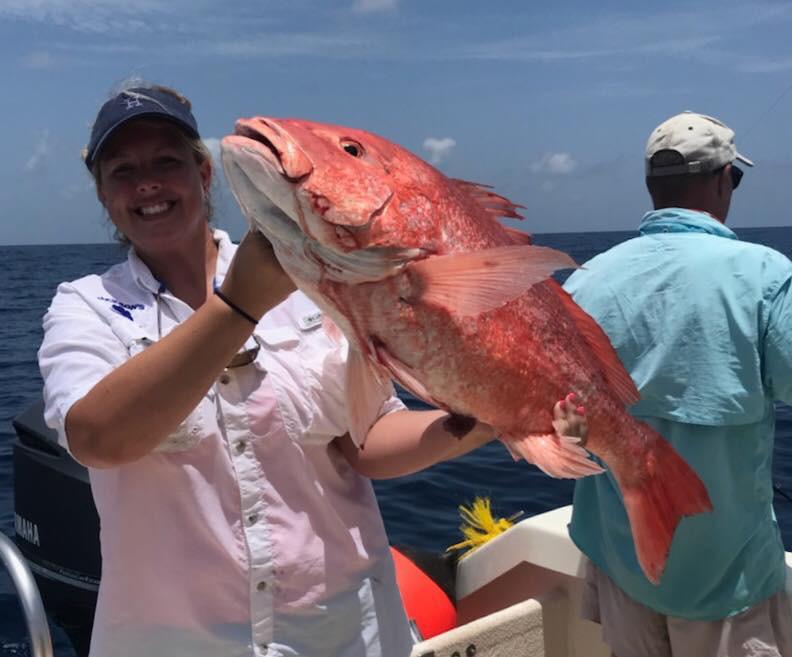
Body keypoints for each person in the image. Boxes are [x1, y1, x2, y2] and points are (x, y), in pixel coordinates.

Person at [38, 81, 584, 657]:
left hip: (346, 634)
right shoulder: (86, 306)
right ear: (103, 195)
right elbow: (98, 438)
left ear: (204, 176)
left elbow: (364, 440)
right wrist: (238, 306)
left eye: (166, 161)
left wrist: (485, 420)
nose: (146, 182)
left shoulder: (321, 281)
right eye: (122, 170)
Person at [563, 111, 792, 657]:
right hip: (727, 579)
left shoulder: (583, 280)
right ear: (722, 180)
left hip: (622, 566)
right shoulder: (766, 275)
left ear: (651, 186)